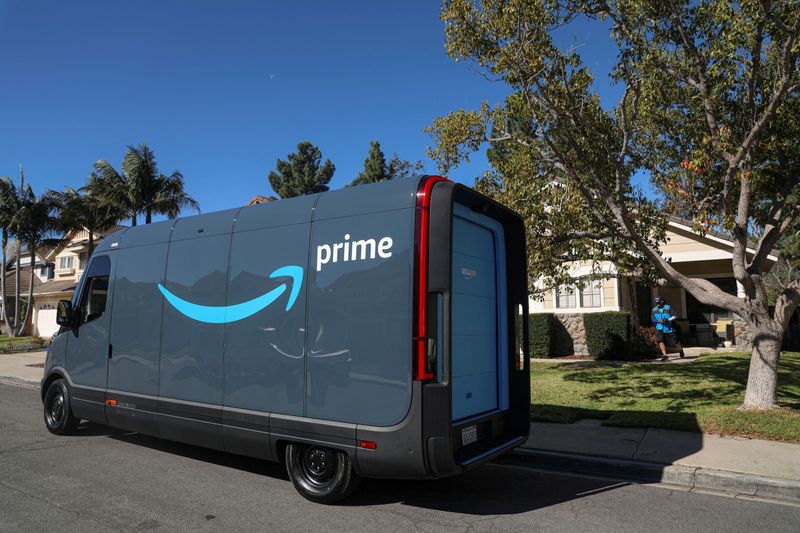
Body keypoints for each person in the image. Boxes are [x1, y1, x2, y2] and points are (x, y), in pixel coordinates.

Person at [651, 296, 685, 362]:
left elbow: (675, 315)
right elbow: (653, 319)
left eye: (658, 302)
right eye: (656, 302)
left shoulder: (668, 308)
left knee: (675, 342)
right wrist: (658, 321)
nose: (657, 304)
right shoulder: (654, 310)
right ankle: (665, 356)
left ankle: (680, 350)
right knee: (661, 341)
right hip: (660, 327)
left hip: (669, 327)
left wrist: (668, 320)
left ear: (662, 301)